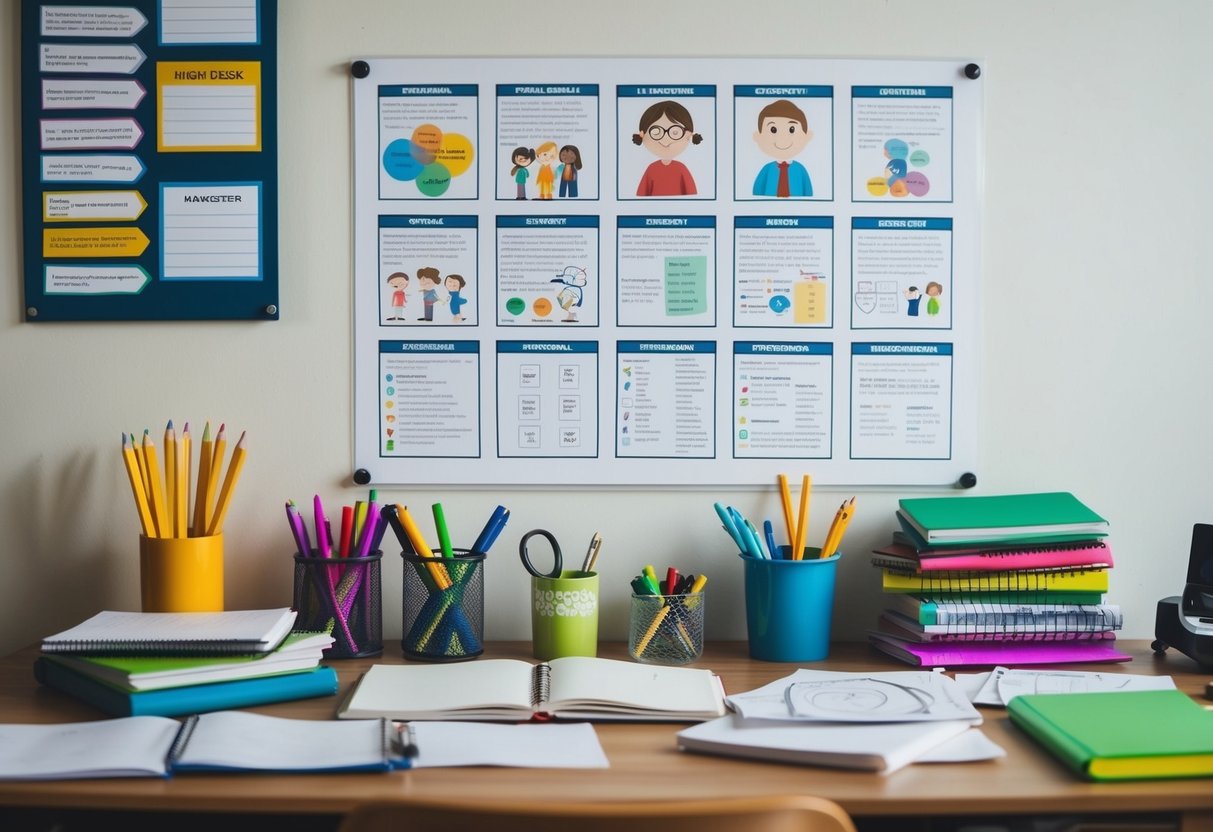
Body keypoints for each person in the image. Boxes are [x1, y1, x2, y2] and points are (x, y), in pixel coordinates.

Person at [633, 100, 702, 197]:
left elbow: (692, 194)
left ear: (690, 134)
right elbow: (641, 195)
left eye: (675, 132)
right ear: (642, 135)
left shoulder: (681, 168)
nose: (665, 139)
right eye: (656, 132)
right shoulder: (652, 168)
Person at [751, 99, 813, 197]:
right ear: (758, 137)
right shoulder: (767, 169)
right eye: (773, 129)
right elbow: (757, 191)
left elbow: (808, 192)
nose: (782, 138)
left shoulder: (800, 170)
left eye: (791, 129)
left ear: (807, 136)